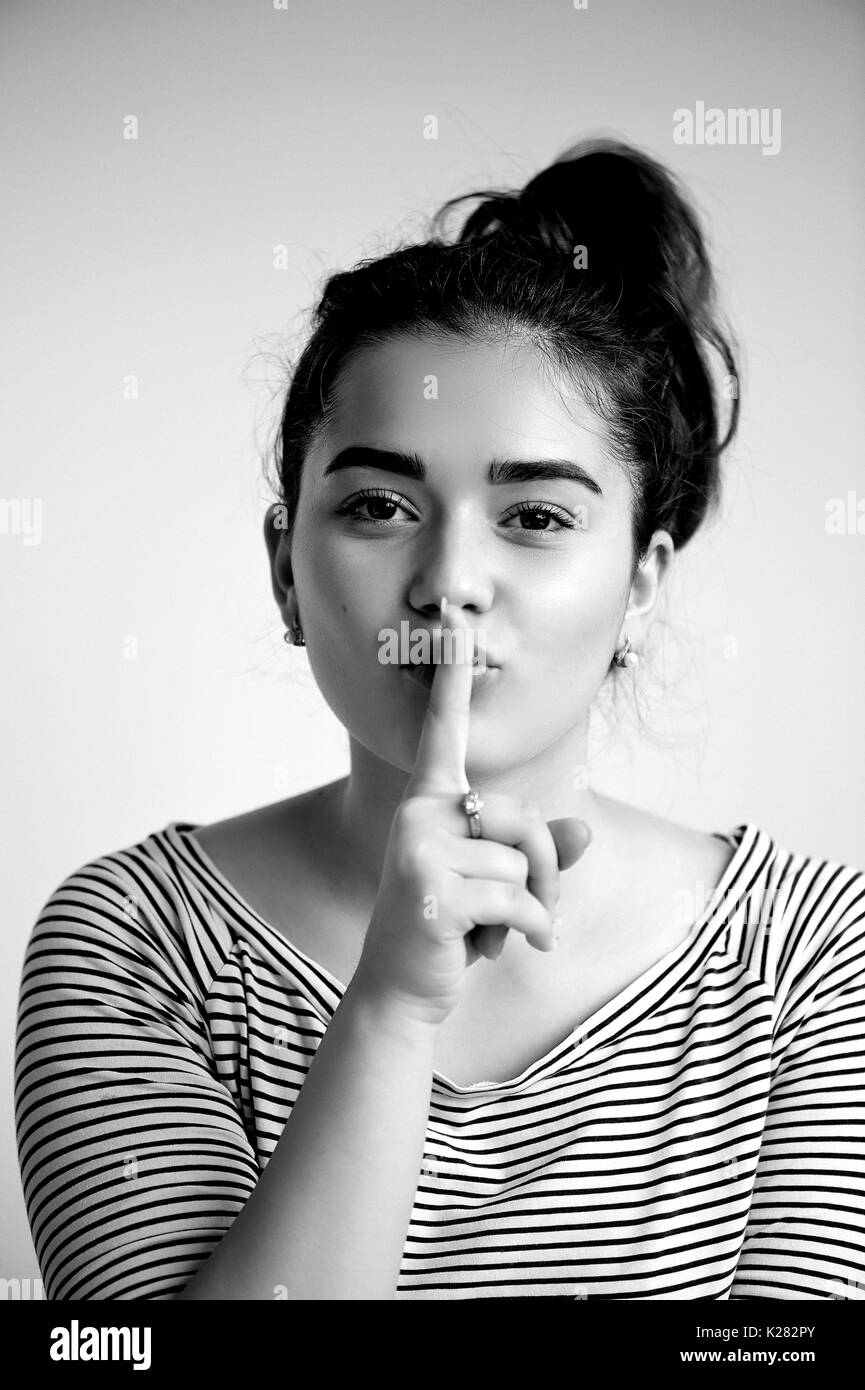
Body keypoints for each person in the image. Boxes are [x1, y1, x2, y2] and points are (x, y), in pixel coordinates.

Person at [14, 139, 865, 1302]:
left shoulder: (812, 958)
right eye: (379, 505)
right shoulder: (134, 944)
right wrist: (393, 1005)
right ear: (284, 571)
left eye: (536, 516)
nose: (451, 579)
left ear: (644, 579)